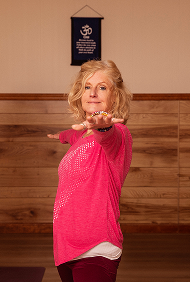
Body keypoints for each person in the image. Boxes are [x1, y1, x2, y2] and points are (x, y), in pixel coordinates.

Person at [47, 60, 133, 282]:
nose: (93, 93)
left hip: (96, 249)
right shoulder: (82, 136)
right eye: (87, 87)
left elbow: (107, 135)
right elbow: (75, 136)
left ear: (115, 96)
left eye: (102, 87)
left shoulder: (119, 135)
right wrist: (63, 136)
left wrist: (102, 125)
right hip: (65, 248)